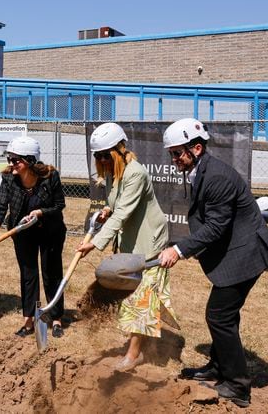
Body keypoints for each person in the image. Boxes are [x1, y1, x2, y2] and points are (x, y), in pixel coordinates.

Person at [157, 118, 268, 407]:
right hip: (237, 249)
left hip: (247, 253)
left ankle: (238, 385)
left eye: (177, 153)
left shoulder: (217, 177)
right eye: (171, 154)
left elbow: (216, 227)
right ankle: (218, 367)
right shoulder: (202, 170)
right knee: (224, 314)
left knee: (219, 315)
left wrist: (179, 250)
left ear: (196, 148)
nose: (174, 159)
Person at [76, 123, 179, 372]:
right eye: (97, 156)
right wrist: (106, 210)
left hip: (149, 241)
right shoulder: (114, 171)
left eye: (105, 155)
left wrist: (95, 243)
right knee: (131, 295)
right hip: (130, 240)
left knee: (142, 298)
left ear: (119, 149)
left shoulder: (135, 172)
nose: (101, 160)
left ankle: (134, 355)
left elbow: (123, 213)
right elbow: (117, 205)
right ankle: (137, 345)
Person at [0, 136, 67, 339]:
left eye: (16, 160)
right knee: (28, 275)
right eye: (9, 159)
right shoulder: (9, 179)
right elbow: (0, 207)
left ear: (30, 161)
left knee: (51, 272)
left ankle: (56, 318)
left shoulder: (50, 177)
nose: (11, 164)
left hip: (50, 230)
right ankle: (29, 319)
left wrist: (40, 212)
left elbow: (59, 205)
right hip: (22, 232)